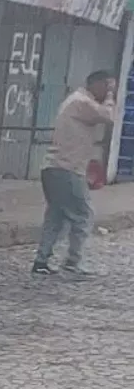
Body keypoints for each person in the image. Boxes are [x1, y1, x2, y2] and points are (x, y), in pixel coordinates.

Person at [33, 70, 116, 277]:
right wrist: (109, 98)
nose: (109, 92)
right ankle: (72, 262)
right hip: (66, 168)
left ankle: (41, 261)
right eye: (107, 87)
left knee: (56, 216)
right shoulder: (82, 102)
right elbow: (108, 116)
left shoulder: (76, 101)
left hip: (55, 167)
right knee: (83, 214)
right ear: (96, 84)